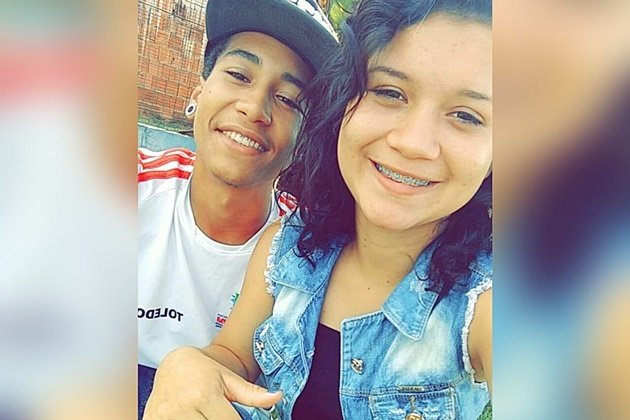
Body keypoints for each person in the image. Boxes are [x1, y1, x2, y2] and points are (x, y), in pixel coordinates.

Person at [145, 0, 492, 418]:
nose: (413, 142)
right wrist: (190, 366)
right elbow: (232, 357)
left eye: (467, 116)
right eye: (389, 92)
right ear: (343, 106)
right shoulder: (288, 247)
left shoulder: (490, 306)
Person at [137, 0, 338, 415]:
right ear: (199, 91)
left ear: (305, 138)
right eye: (239, 75)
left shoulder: (303, 254)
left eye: (288, 99)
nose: (254, 108)